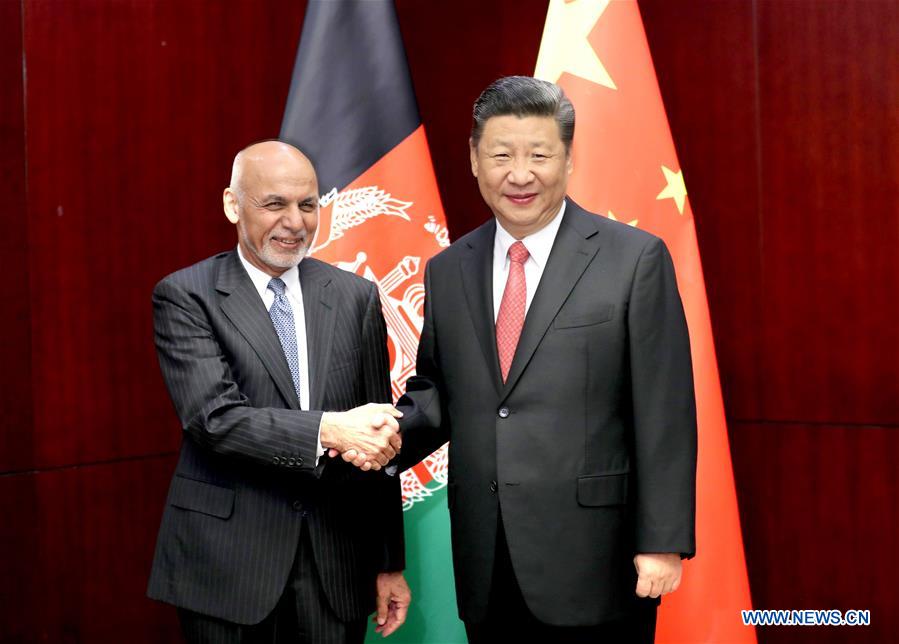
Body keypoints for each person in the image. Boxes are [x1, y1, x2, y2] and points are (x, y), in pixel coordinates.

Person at [374, 76, 696, 642]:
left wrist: (661, 542)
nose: (519, 175)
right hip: (487, 556)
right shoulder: (449, 269)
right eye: (500, 155)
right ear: (474, 160)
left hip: (599, 559)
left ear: (569, 160)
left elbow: (665, 411)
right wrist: (373, 436)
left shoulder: (633, 258)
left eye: (539, 155)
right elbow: (437, 395)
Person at [147, 140, 410, 644]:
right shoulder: (186, 295)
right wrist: (330, 428)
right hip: (229, 565)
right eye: (275, 205)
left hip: (334, 566)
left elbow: (378, 442)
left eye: (307, 205)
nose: (295, 222)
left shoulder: (355, 297)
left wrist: (387, 563)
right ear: (232, 204)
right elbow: (214, 419)